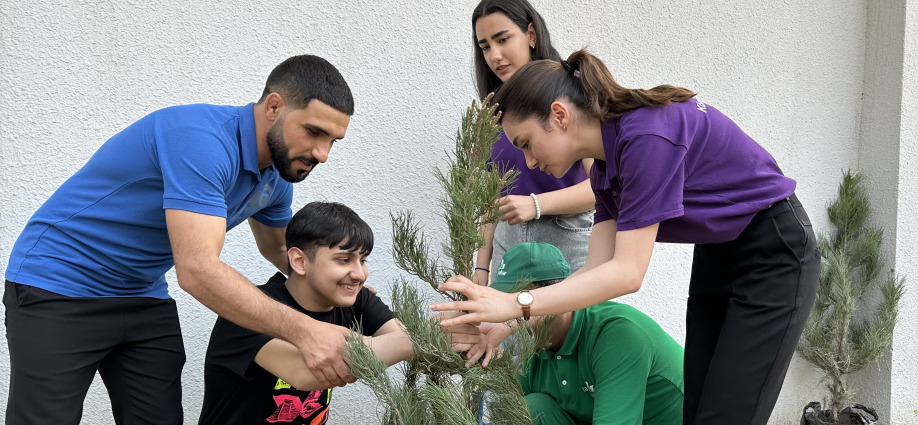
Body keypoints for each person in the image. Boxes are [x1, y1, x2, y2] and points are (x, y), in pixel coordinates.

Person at [434, 50, 820, 425]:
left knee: (724, 415)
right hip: (720, 254)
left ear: (559, 115)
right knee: (699, 412)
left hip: (774, 250)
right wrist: (508, 323)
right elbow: (595, 271)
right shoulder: (605, 169)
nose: (529, 162)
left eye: (526, 144)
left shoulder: (647, 137)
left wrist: (514, 303)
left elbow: (627, 274)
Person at [4, 55, 359, 424]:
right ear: (273, 107)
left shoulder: (277, 177)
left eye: (333, 140)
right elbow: (197, 271)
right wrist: (307, 332)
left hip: (141, 293)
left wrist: (350, 289)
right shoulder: (200, 140)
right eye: (314, 132)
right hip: (58, 283)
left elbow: (284, 250)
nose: (323, 154)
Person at [199, 202, 490, 424]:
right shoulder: (251, 310)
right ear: (300, 261)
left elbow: (400, 338)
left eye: (362, 260)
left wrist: (468, 335)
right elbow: (306, 372)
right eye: (343, 259)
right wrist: (431, 334)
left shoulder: (353, 301)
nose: (359, 273)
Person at [470, 0, 595, 285]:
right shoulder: (491, 114)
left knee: (575, 328)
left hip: (568, 236)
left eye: (503, 39)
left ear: (531, 35)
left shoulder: (572, 96)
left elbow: (602, 187)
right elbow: (492, 197)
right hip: (508, 242)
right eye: (485, 46)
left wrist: (536, 204)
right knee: (508, 330)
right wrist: (481, 266)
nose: (495, 55)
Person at [489, 242, 683, 425]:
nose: (506, 317)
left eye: (517, 304)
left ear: (547, 296)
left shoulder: (617, 334)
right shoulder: (537, 349)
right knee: (531, 408)